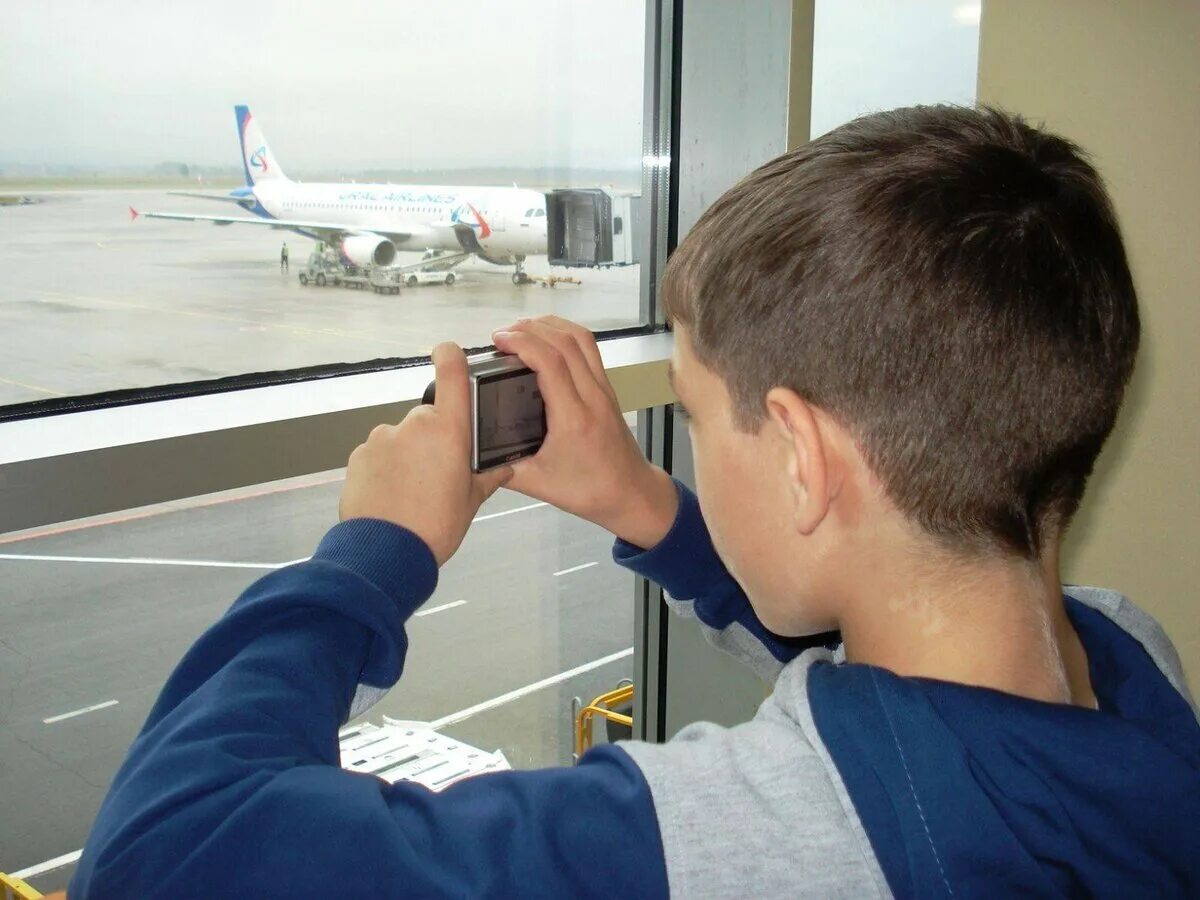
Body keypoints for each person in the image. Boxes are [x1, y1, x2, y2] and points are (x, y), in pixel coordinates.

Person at [68, 106, 1198, 898]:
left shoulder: (750, 843)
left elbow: (166, 853)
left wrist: (371, 553)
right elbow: (902, 646)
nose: (695, 447)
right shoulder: (1126, 662)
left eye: (700, 420)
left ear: (802, 456)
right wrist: (646, 505)